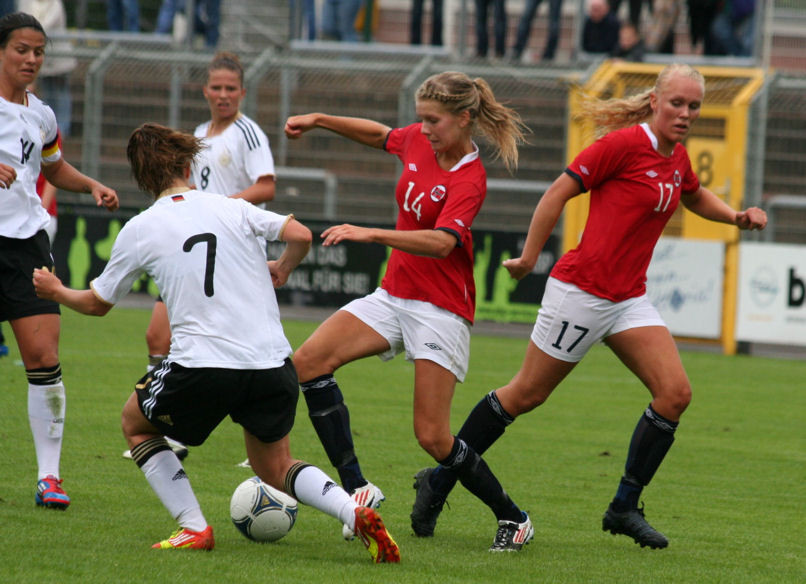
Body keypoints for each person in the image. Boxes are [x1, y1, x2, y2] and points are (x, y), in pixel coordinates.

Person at [408, 64, 767, 549]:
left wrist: (736, 217)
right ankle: (441, 480)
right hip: (581, 294)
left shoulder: (676, 157)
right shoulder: (622, 146)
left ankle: (623, 507)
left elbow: (693, 194)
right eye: (677, 103)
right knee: (525, 395)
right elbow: (558, 191)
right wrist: (532, 257)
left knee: (675, 394)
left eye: (694, 106)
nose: (685, 114)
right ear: (655, 101)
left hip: (628, 300)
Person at [32, 122, 401, 562]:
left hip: (203, 366)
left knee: (135, 423)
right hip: (271, 363)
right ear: (189, 165)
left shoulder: (141, 227)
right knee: (276, 466)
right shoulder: (232, 208)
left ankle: (193, 527)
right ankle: (352, 510)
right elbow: (300, 235)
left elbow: (97, 303)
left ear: (142, 177)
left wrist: (56, 292)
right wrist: (282, 268)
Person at [284, 71, 535, 551]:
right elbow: (381, 135)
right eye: (421, 118)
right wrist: (318, 119)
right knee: (308, 363)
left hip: (440, 309)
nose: (424, 129)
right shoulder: (420, 139)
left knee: (434, 438)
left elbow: (442, 244)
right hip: (393, 294)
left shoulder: (470, 178)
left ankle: (513, 516)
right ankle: (358, 488)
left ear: (465, 119)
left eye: (434, 120)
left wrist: (372, 233)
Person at [123, 50, 277, 462]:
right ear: (204, 90)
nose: (223, 95)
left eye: (231, 88)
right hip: (194, 247)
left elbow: (266, 187)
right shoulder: (197, 133)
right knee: (158, 335)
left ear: (242, 92)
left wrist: (217, 207)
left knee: (243, 341)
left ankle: (261, 438)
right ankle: (166, 424)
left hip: (232, 249)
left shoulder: (248, 133)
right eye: (217, 87)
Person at [0, 12, 119, 510]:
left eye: (39, 51)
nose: (31, 59)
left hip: (26, 244)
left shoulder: (42, 114)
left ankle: (49, 478)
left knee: (44, 359)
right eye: (21, 50)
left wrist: (89, 182)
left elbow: (52, 165)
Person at [19, 0, 76, 137]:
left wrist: (28, 31)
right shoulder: (28, 3)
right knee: (48, 95)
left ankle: (63, 129)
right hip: (42, 60)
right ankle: (51, 130)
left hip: (59, 59)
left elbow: (45, 27)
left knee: (60, 93)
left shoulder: (55, 4)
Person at [155, 0, 221, 48]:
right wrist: (160, 37)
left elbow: (212, 20)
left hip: (202, 25)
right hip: (184, 19)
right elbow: (169, 10)